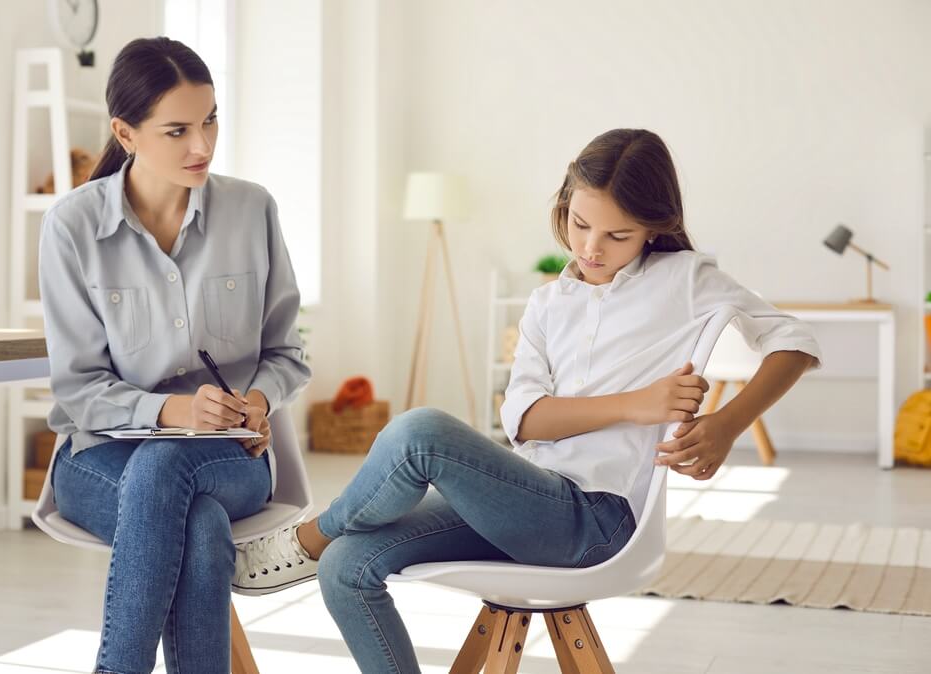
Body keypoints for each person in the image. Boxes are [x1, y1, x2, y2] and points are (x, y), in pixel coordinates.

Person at [233, 128, 822, 673]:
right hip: (527, 501)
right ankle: (326, 547)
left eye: (617, 235)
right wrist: (637, 403)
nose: (591, 246)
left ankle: (309, 539)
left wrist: (727, 423)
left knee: (421, 433)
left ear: (652, 227)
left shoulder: (685, 279)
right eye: (580, 222)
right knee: (347, 568)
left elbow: (793, 341)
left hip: (598, 519)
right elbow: (524, 422)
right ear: (564, 203)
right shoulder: (547, 305)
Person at [38, 37, 309, 673]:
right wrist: (175, 412)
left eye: (211, 119)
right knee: (197, 523)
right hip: (97, 456)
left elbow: (287, 352)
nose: (203, 147)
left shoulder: (252, 209)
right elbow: (78, 388)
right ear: (125, 134)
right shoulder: (73, 227)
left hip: (231, 456)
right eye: (178, 130)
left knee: (169, 475)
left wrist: (258, 399)